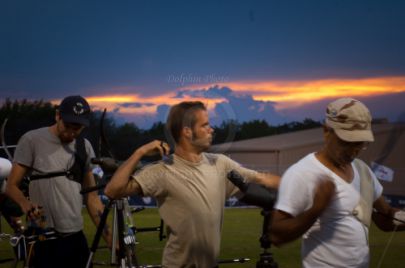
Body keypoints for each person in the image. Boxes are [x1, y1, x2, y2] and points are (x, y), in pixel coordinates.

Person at [104, 101, 280, 268]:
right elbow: (113, 191)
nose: (212, 129)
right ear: (187, 132)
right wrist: (139, 152)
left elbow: (264, 179)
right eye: (205, 125)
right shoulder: (163, 170)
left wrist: (304, 186)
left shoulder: (221, 164)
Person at [270, 98, 405, 268]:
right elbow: (276, 236)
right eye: (347, 142)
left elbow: (385, 217)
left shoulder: (363, 170)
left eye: (360, 144)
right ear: (327, 131)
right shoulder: (302, 173)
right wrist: (316, 210)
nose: (353, 151)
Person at [6, 95, 112, 268]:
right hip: (41, 235)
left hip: (75, 237)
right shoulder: (32, 140)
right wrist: (25, 203)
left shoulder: (84, 147)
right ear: (57, 116)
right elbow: (11, 185)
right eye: (67, 126)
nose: (71, 132)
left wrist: (110, 239)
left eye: (76, 128)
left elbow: (92, 198)